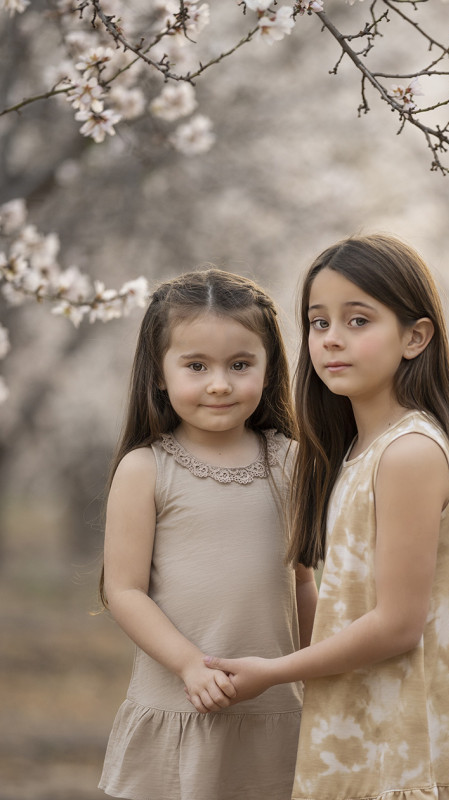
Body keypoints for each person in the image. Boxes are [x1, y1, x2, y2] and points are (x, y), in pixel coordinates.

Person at [205, 235, 449, 800]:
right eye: (318, 322)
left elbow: (398, 624)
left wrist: (273, 672)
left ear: (415, 336)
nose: (332, 338)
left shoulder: (409, 453)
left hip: (417, 751)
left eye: (358, 321)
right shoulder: (356, 451)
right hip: (365, 738)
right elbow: (347, 602)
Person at [98, 268, 318, 800]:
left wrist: (317, 674)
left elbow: (302, 585)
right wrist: (189, 665)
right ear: (159, 371)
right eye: (196, 366)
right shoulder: (145, 469)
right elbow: (123, 590)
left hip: (275, 709)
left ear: (268, 370)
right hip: (180, 700)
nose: (219, 383)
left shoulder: (291, 462)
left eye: (240, 365)